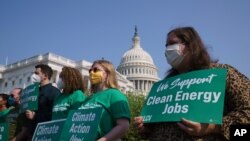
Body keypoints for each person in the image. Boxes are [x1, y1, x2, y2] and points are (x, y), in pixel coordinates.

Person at [134, 26, 250, 141]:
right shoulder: (164, 87)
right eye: (166, 46)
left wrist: (213, 128)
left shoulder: (223, 74)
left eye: (172, 43)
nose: (168, 49)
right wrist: (146, 128)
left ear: (190, 46)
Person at [77, 59, 131, 141]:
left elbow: (123, 126)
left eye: (96, 70)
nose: (92, 73)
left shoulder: (115, 95)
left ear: (107, 73)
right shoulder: (88, 99)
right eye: (90, 70)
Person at [15, 64, 60, 141]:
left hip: (44, 134)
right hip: (30, 133)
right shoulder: (32, 91)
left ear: (45, 76)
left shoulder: (54, 92)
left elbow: (55, 114)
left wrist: (35, 116)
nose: (33, 75)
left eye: (36, 73)